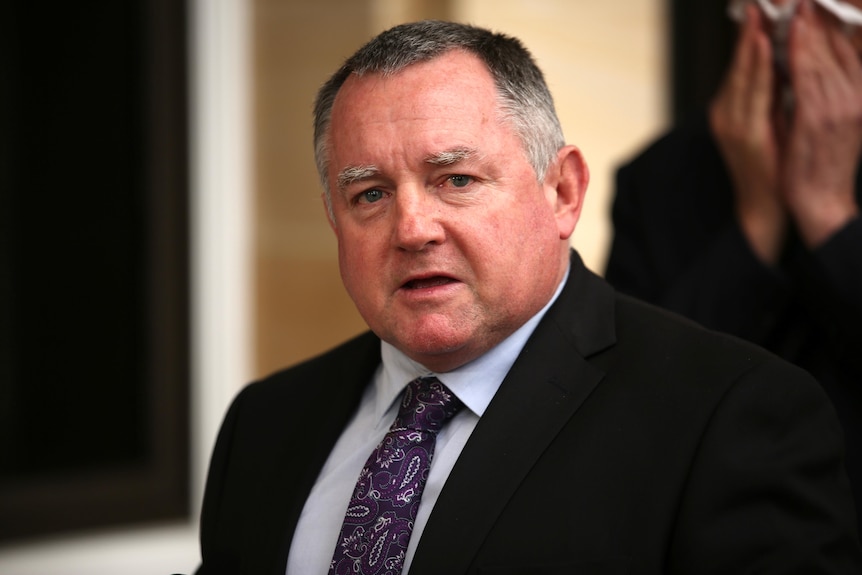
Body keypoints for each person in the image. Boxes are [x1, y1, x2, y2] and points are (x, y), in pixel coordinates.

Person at [194, 19, 861, 575]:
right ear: (334, 220)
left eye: (455, 179)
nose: (412, 229)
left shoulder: (734, 417)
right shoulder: (263, 423)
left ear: (563, 192)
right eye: (369, 194)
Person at [604, 0, 862, 532]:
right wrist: (754, 226)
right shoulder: (661, 178)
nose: (803, 27)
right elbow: (637, 408)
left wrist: (831, 216)